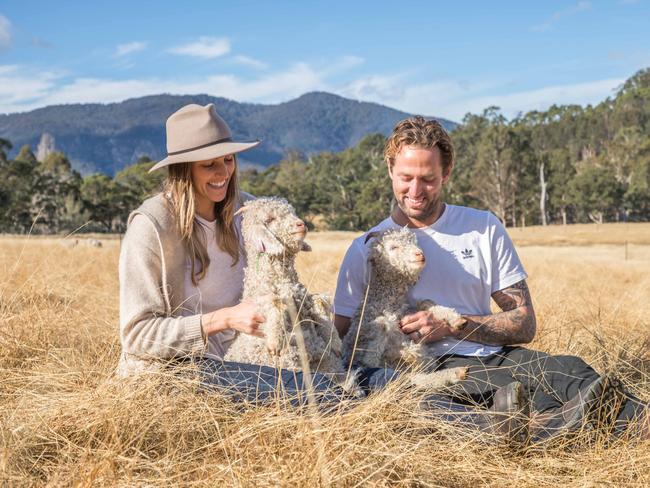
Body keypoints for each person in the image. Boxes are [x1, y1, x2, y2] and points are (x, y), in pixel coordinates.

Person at [117, 103, 530, 442]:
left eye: (228, 160)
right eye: (210, 165)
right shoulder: (152, 227)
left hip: (255, 362)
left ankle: (494, 416)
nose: (224, 173)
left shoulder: (247, 212)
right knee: (329, 393)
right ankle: (480, 428)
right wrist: (223, 319)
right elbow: (136, 335)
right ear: (183, 168)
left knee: (365, 376)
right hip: (185, 373)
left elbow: (278, 263)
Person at [333, 116, 649, 441]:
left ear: (447, 171)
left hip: (491, 356)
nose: (415, 191)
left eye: (427, 179)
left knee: (571, 371)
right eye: (405, 177)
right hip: (422, 370)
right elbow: (340, 341)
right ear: (389, 169)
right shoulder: (367, 248)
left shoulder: (481, 227)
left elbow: (524, 323)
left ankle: (637, 426)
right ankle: (555, 429)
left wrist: (454, 325)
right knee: (513, 399)